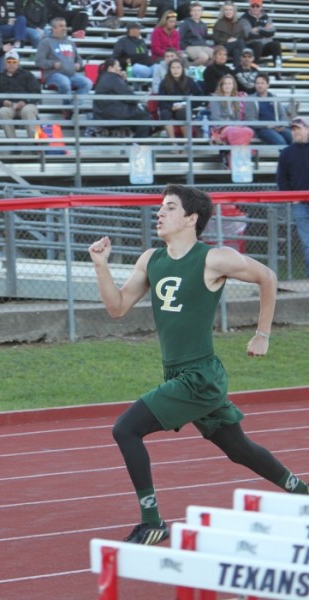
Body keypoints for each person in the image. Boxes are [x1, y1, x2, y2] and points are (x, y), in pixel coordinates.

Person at [88, 182, 309, 546]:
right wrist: (101, 266)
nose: (159, 213)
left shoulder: (213, 259)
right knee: (239, 450)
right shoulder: (150, 259)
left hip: (199, 376)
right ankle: (302, 493)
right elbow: (117, 307)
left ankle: (152, 521)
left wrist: (262, 334)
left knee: (125, 429)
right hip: (179, 373)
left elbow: (267, 277)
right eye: (160, 207)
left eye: (170, 207)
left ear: (191, 219)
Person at [35, 17, 92, 110]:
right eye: (61, 26)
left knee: (87, 83)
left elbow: (79, 59)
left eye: (65, 26)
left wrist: (79, 64)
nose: (64, 28)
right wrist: (52, 64)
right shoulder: (45, 42)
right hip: (53, 75)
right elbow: (39, 61)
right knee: (65, 82)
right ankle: (69, 108)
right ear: (53, 28)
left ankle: (72, 108)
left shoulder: (70, 42)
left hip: (71, 74)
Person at [276, 117, 309, 278]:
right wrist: (292, 198)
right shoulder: (287, 153)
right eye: (293, 129)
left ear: (307, 129)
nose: (295, 132)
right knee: (307, 243)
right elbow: (281, 179)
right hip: (300, 204)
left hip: (301, 203)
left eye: (299, 129)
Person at [0, 49, 41, 138]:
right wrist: (2, 102)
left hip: (26, 105)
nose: (11, 64)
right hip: (8, 107)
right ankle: (12, 143)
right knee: (2, 111)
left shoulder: (27, 75)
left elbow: (36, 92)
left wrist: (25, 102)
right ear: (4, 63)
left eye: (14, 61)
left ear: (18, 62)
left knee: (27, 111)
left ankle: (34, 143)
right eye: (9, 61)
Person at [93, 57, 152, 137]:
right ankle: (138, 145)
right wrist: (139, 101)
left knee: (138, 116)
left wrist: (123, 80)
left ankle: (133, 142)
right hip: (113, 113)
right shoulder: (114, 78)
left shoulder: (103, 77)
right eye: (118, 66)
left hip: (102, 114)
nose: (120, 69)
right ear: (110, 68)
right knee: (145, 115)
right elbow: (129, 97)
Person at [209, 73, 254, 168]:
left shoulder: (236, 99)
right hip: (220, 127)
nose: (227, 86)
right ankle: (238, 160)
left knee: (248, 131)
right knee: (234, 132)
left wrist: (236, 125)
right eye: (225, 83)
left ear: (233, 85)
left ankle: (235, 158)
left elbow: (237, 118)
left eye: (230, 83)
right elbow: (216, 118)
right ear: (221, 86)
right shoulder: (214, 98)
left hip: (234, 127)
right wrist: (232, 125)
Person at [158, 57, 202, 141]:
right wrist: (171, 107)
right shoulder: (164, 82)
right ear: (169, 69)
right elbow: (161, 101)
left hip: (184, 107)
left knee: (183, 113)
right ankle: (173, 143)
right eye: (173, 68)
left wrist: (187, 105)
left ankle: (187, 142)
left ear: (182, 69)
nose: (176, 70)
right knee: (164, 113)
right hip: (169, 107)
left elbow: (200, 96)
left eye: (178, 68)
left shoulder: (189, 81)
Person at [244, 72, 292, 146]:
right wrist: (267, 125)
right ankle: (286, 157)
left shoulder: (274, 97)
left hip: (277, 127)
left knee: (294, 138)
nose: (260, 85)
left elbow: (282, 115)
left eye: (262, 83)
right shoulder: (251, 99)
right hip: (262, 129)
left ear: (268, 85)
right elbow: (250, 120)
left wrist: (281, 125)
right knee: (281, 142)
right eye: (257, 83)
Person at [239, 0, 282, 69]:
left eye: (257, 6)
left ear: (261, 7)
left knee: (276, 44)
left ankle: (278, 72)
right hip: (251, 46)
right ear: (250, 7)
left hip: (265, 46)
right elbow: (248, 34)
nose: (255, 8)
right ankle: (253, 69)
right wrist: (265, 30)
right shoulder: (244, 18)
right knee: (258, 44)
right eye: (253, 6)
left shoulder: (266, 16)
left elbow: (272, 31)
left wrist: (258, 29)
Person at [179, 2, 213, 66]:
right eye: (194, 10)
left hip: (202, 46)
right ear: (190, 12)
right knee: (204, 57)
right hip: (191, 46)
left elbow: (204, 37)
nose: (196, 12)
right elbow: (180, 38)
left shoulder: (204, 25)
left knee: (216, 56)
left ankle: (203, 70)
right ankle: (189, 67)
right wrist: (184, 49)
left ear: (201, 12)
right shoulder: (185, 24)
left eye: (198, 10)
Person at [212, 1, 245, 68]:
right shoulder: (219, 23)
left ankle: (236, 70)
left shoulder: (238, 23)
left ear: (234, 11)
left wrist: (235, 40)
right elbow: (216, 39)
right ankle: (247, 60)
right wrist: (227, 40)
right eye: (226, 10)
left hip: (235, 47)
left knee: (237, 51)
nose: (228, 12)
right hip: (222, 47)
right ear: (223, 12)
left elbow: (242, 37)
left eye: (230, 10)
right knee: (239, 43)